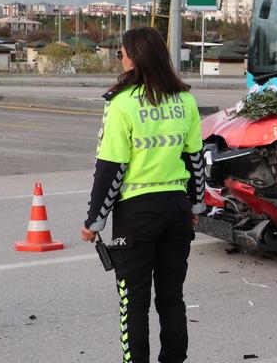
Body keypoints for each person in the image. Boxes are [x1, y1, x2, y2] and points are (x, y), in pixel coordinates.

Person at [81, 27, 205, 363]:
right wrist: (195, 204)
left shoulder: (121, 104)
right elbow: (194, 159)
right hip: (177, 211)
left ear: (133, 57)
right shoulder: (186, 100)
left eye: (121, 53)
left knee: (133, 301)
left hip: (137, 214)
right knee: (171, 298)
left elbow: (111, 166)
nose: (120, 58)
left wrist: (95, 219)